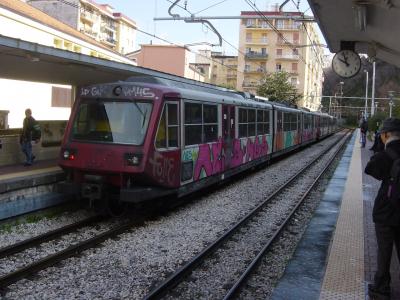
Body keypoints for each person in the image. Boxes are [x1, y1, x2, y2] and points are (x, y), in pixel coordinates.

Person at [365, 117, 400, 300]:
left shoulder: (385, 155)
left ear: (385, 135)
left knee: (384, 251)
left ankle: (381, 288)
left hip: (386, 213)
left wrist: (380, 148)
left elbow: (371, 169)